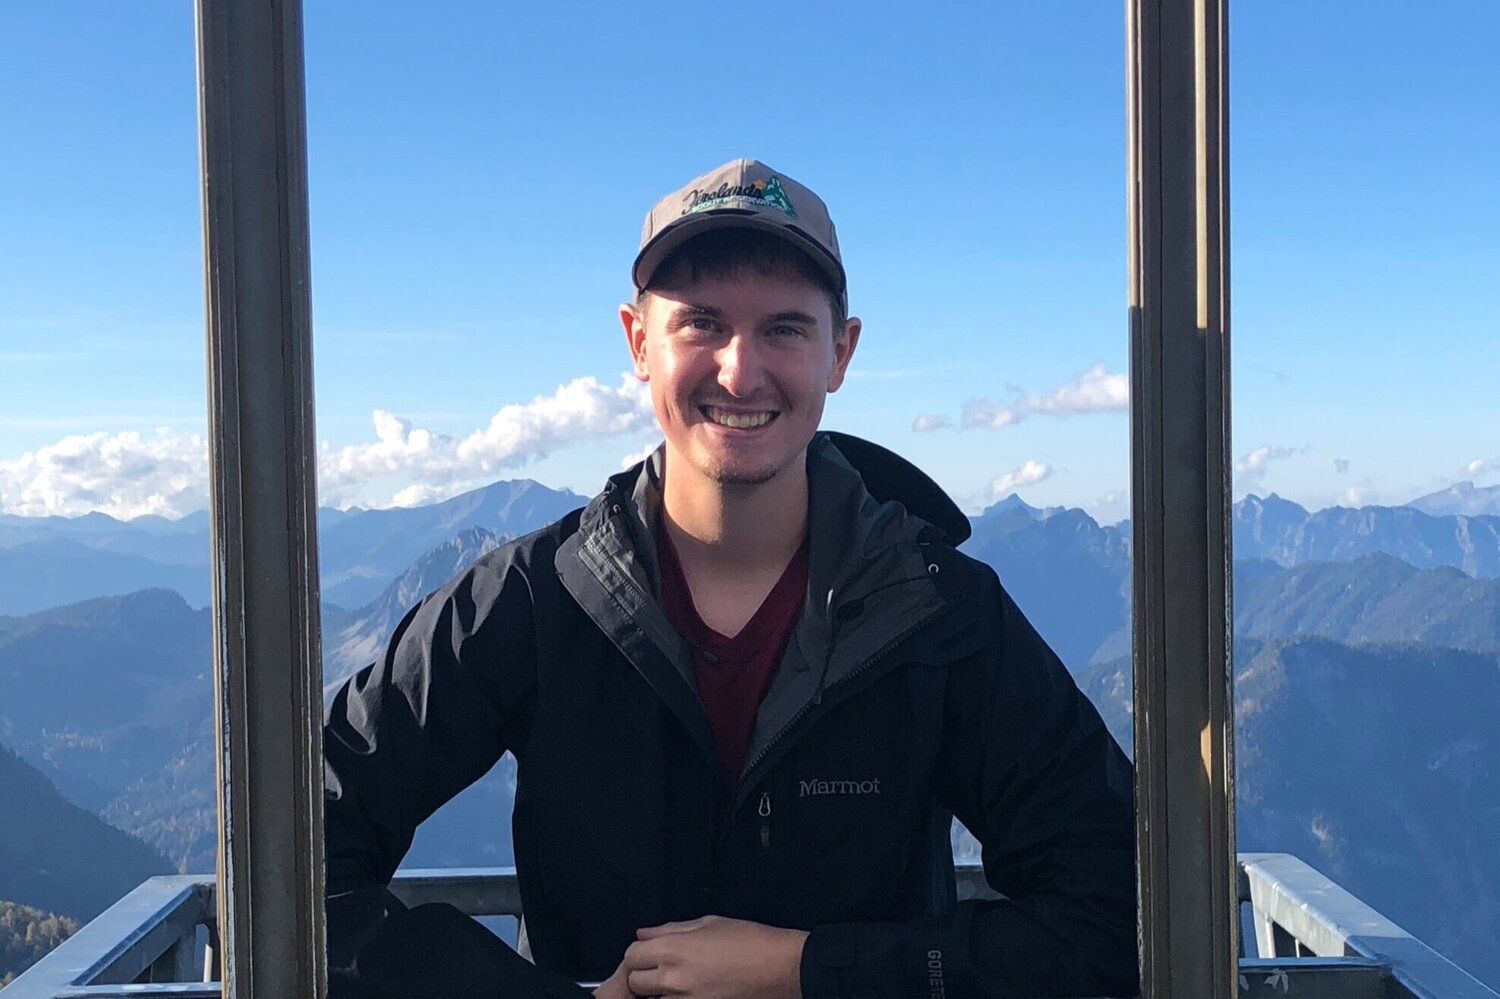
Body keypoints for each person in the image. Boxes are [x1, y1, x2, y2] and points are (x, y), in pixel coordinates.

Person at [322, 159, 1138, 998]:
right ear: (639, 344)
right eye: (702, 324)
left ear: (840, 352)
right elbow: (295, 846)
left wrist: (808, 969)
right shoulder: (528, 602)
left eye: (784, 328)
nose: (741, 372)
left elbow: (1123, 906)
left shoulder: (940, 614)